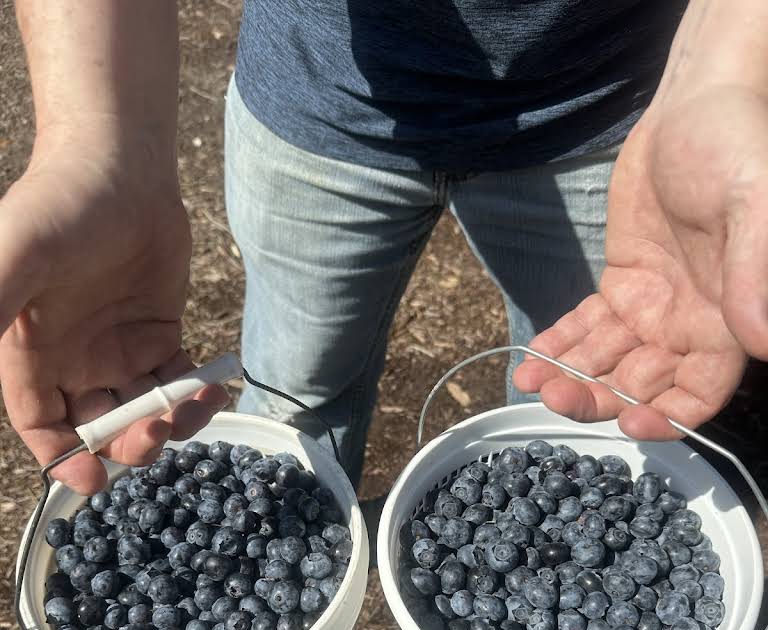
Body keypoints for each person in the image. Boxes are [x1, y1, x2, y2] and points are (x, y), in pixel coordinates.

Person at [1, 1, 767, 498]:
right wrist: (98, 143)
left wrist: (725, 70)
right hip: (316, 109)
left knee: (573, 421)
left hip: (612, 120)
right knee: (298, 396)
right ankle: (305, 573)